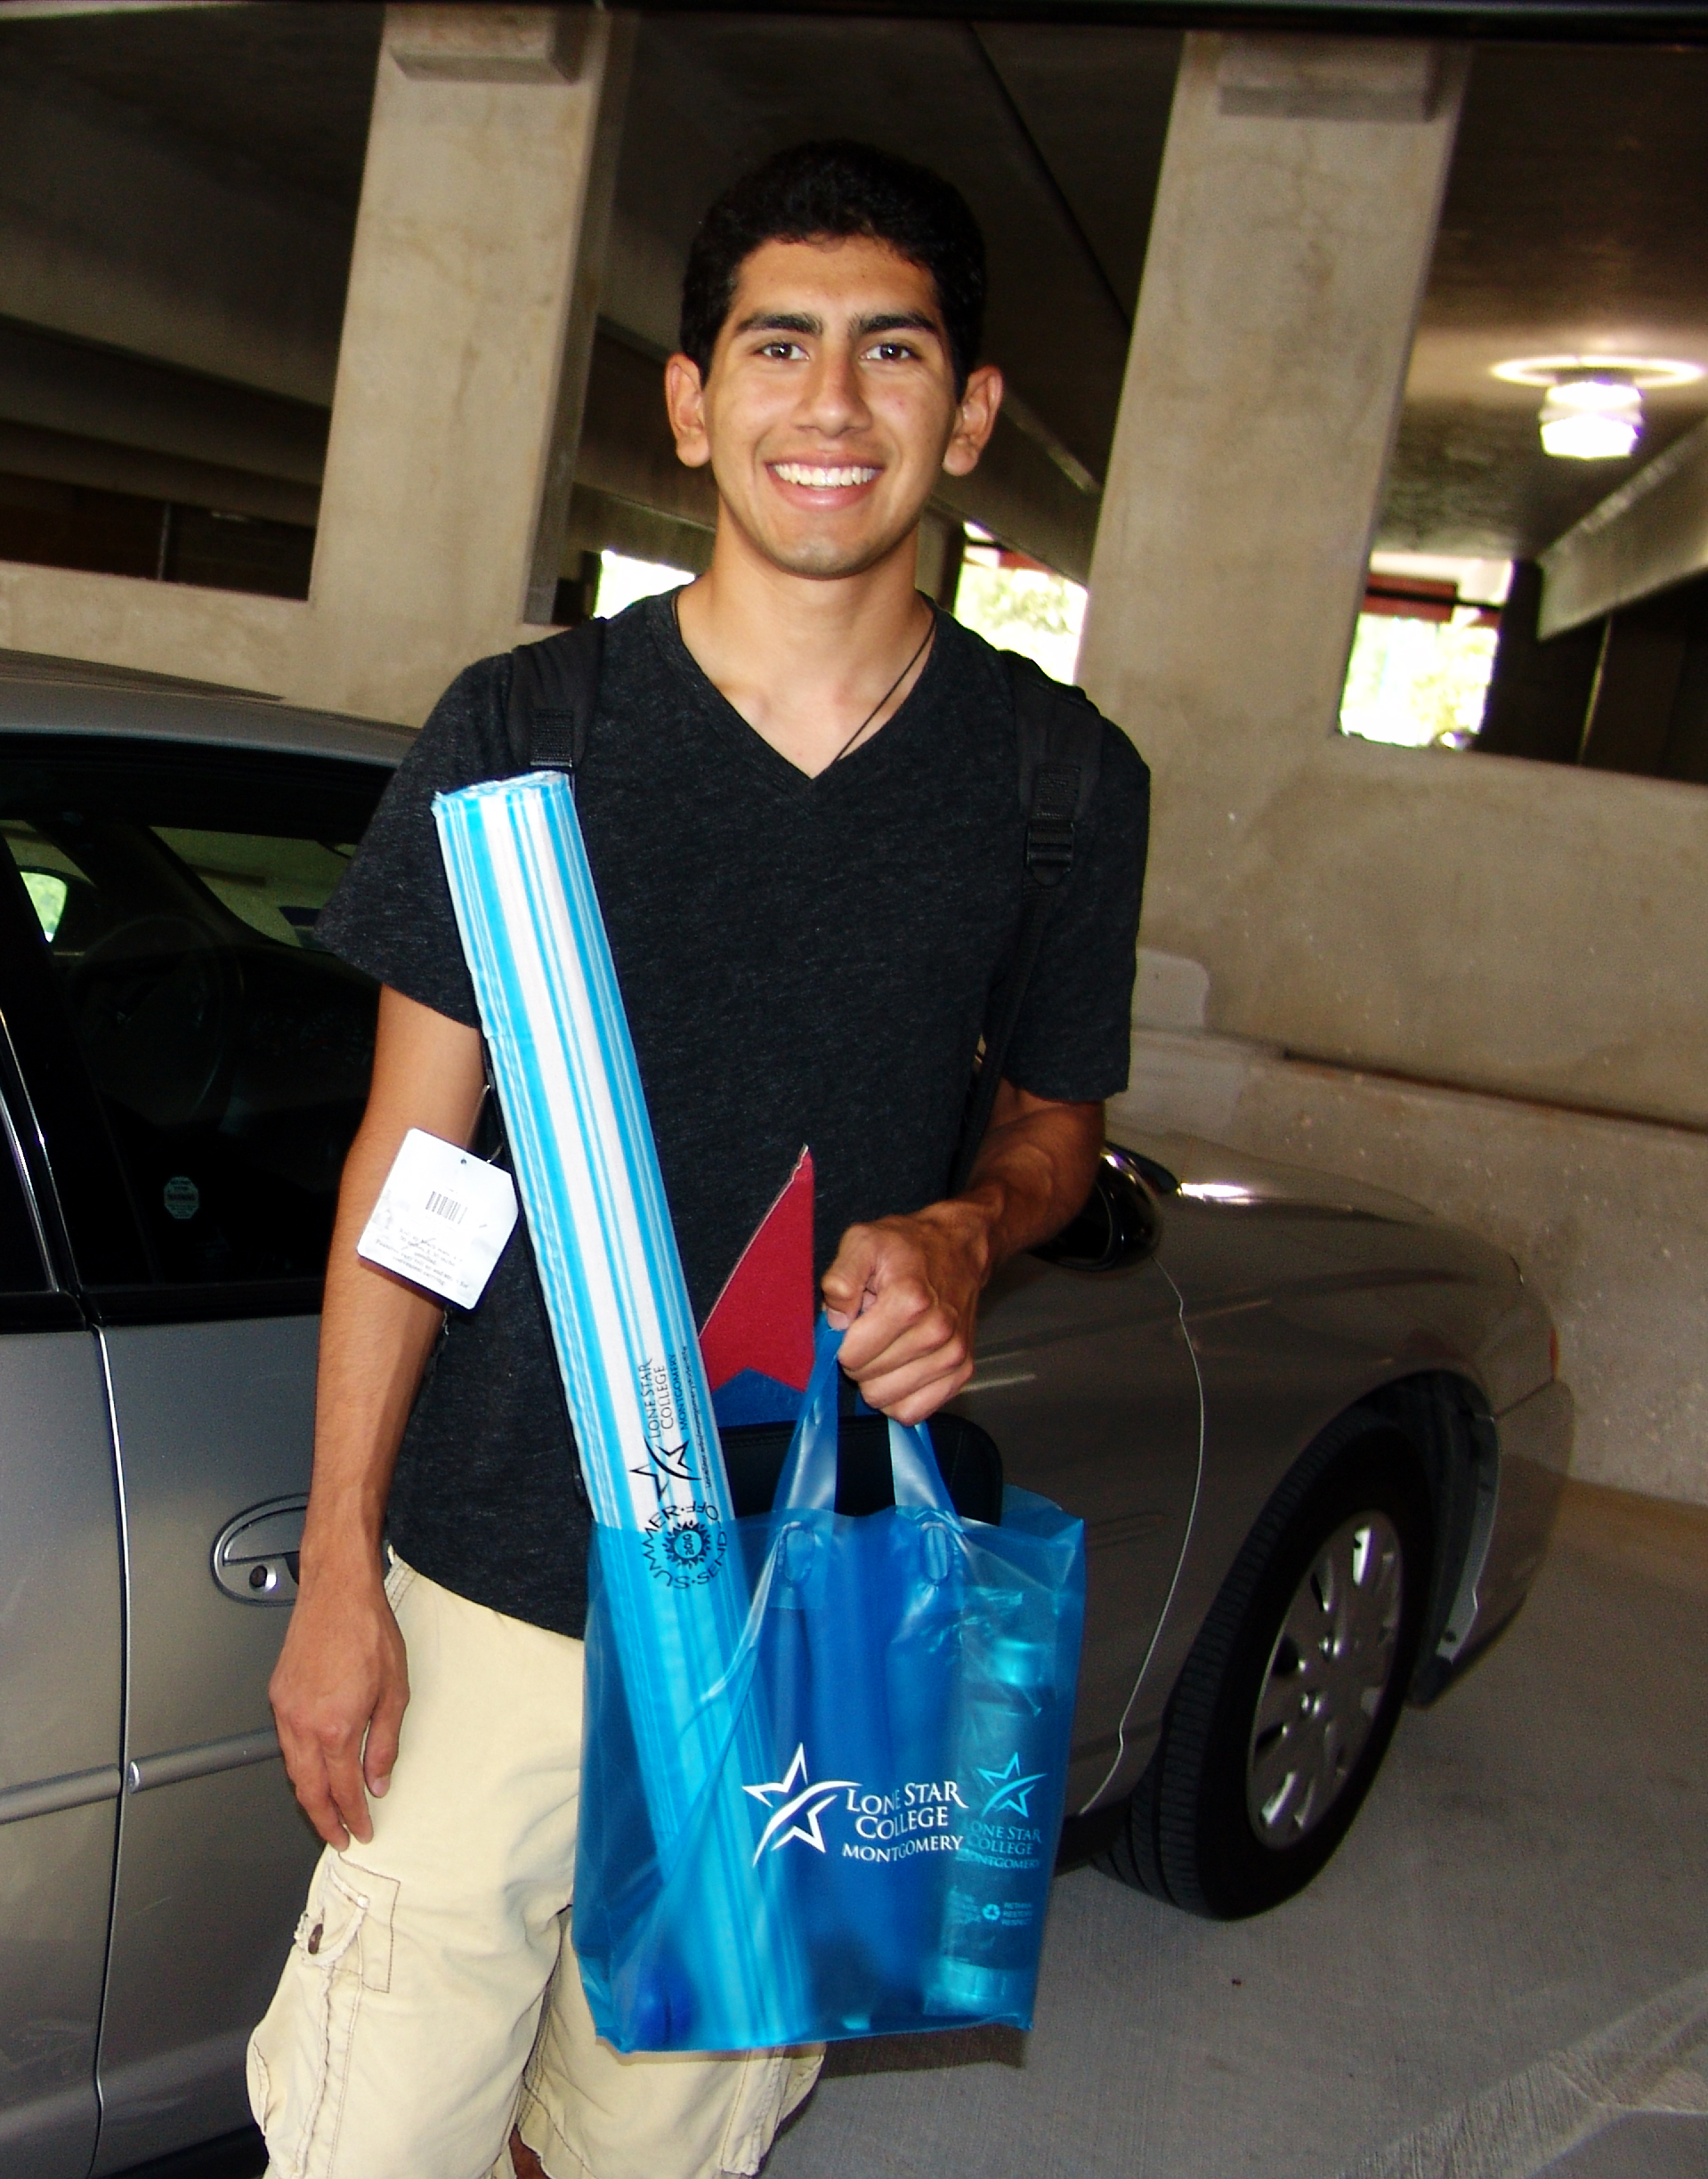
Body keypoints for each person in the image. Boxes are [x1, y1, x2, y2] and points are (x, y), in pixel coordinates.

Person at [245, 140, 1150, 2179]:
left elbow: (1058, 1131)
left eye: (891, 351)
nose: (831, 406)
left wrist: (971, 1233)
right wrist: (339, 1575)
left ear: (973, 410)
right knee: (371, 2141)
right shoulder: (525, 729)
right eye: (779, 347)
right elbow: (416, 1170)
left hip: (812, 1609)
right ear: (689, 399)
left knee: (656, 2148)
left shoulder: (1053, 783)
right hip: (491, 1587)